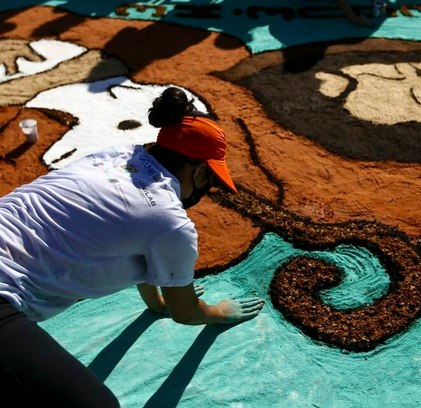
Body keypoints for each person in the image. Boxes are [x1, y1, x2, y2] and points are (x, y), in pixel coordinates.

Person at [0, 87, 265, 406]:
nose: (208, 188)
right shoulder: (170, 222)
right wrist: (219, 312)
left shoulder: (115, 155)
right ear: (197, 169)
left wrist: (155, 301)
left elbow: (130, 236)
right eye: (210, 179)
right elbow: (186, 312)